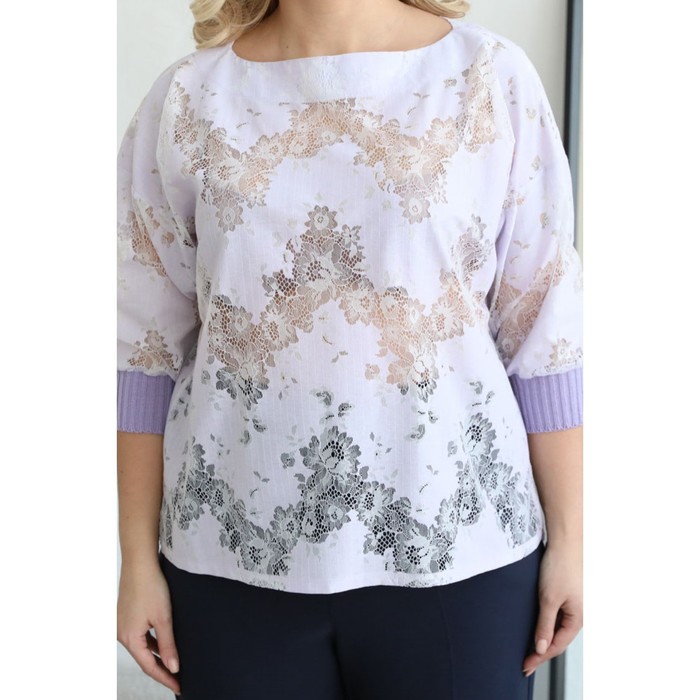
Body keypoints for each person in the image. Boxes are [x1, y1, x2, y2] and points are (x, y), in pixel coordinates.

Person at [116, 0, 584, 698]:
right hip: (233, 563)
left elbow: (544, 328)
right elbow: (141, 347)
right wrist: (135, 560)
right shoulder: (188, 97)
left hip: (462, 558)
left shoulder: (488, 77)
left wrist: (574, 539)